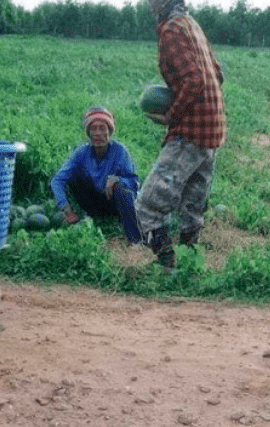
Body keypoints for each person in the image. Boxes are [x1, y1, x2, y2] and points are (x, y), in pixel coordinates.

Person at [135, 0, 226, 270]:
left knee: (147, 205)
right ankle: (189, 263)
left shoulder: (171, 30)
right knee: (192, 205)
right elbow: (217, 75)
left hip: (190, 131)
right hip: (212, 128)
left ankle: (168, 266)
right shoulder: (191, 24)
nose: (150, 5)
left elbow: (194, 79)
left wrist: (172, 114)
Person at [51, 106, 142, 245]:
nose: (98, 133)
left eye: (102, 128)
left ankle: (135, 240)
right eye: (93, 129)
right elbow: (57, 180)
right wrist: (66, 209)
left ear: (109, 131)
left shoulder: (119, 151)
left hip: (114, 203)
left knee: (121, 187)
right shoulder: (82, 152)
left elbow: (134, 182)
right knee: (73, 176)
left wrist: (117, 180)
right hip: (93, 202)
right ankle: (89, 215)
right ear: (88, 133)